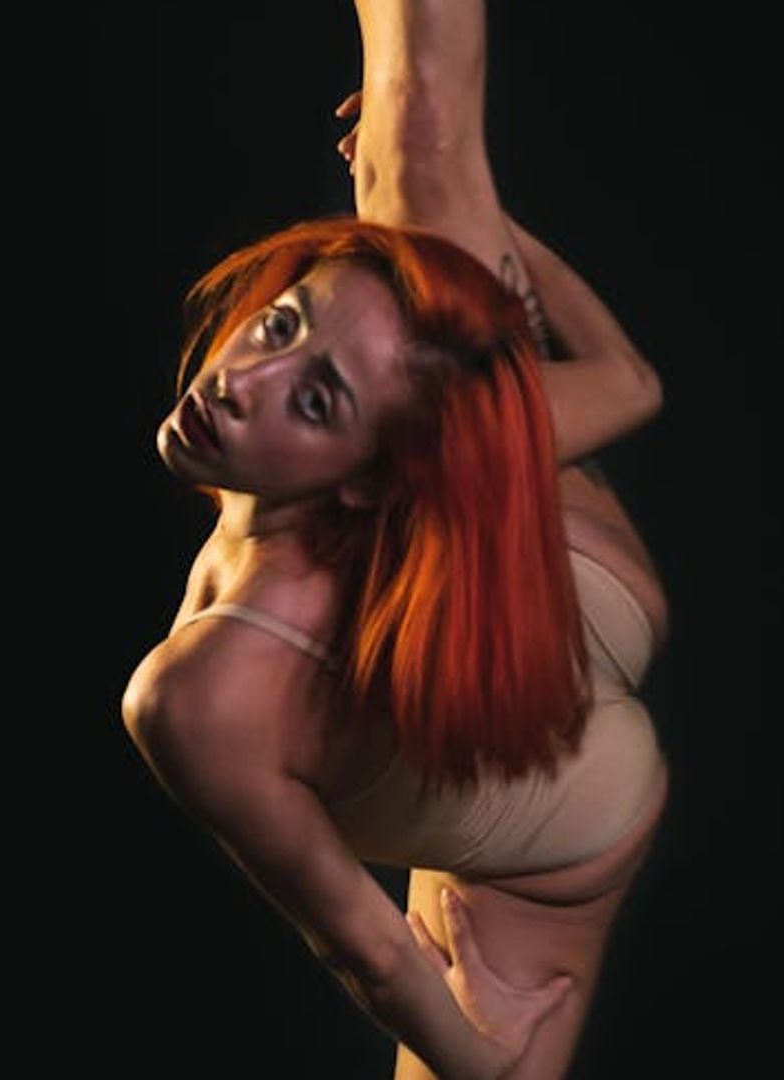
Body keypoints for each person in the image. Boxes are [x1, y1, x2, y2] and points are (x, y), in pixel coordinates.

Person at [120, 3, 671, 1077]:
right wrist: (487, 227)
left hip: (559, 811)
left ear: (376, 480)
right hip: (551, 669)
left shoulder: (200, 696)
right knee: (417, 183)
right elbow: (634, 386)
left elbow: (371, 951)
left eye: (313, 401)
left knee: (419, 214)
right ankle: (427, 190)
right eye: (278, 325)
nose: (238, 384)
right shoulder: (422, 458)